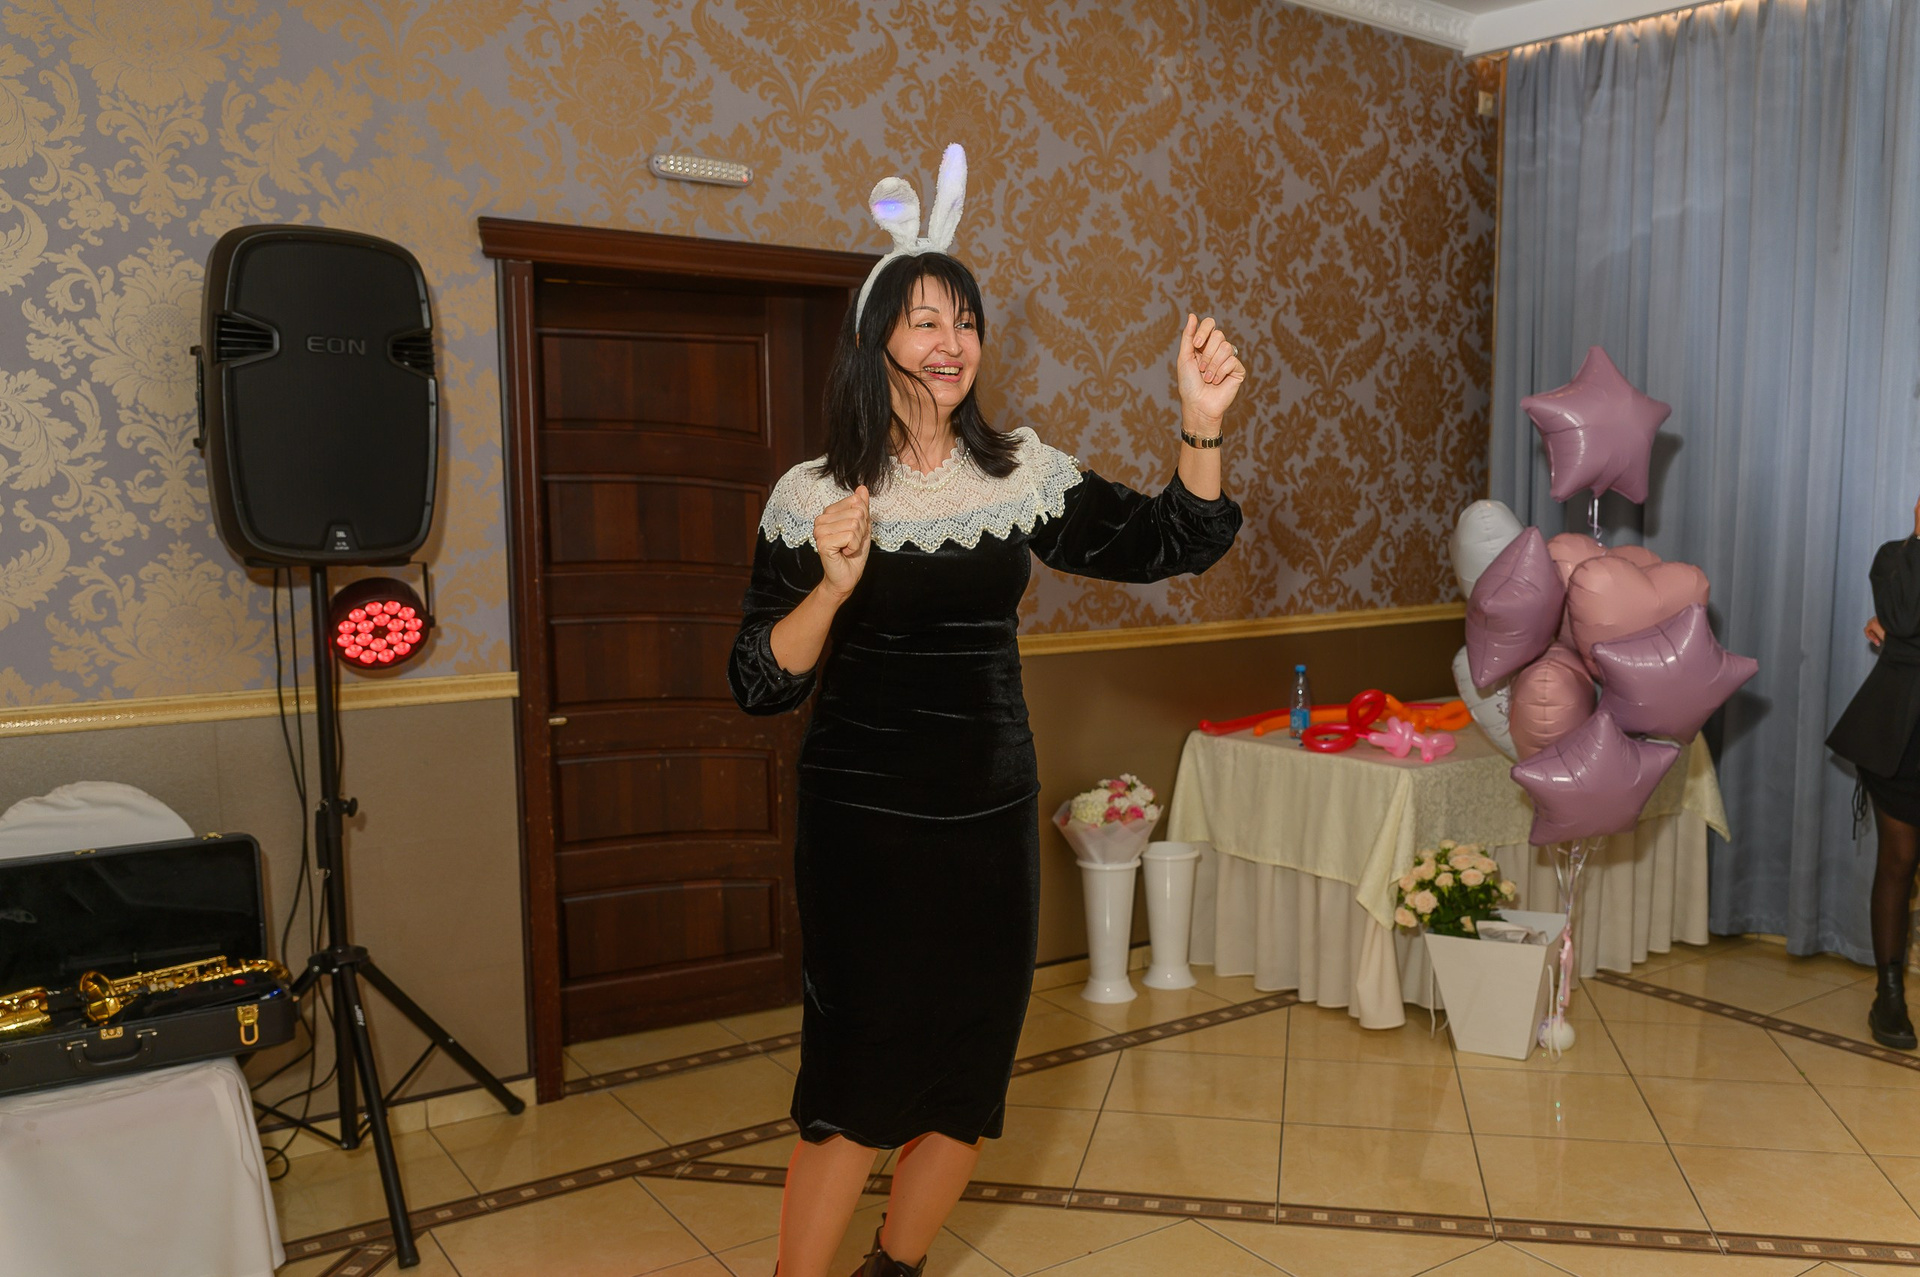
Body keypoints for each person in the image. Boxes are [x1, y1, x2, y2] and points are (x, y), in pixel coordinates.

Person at [727, 146, 1244, 1277]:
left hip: (989, 818)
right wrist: (832, 586)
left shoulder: (1021, 474)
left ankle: (894, 1269)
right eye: (924, 320)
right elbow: (761, 679)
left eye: (965, 320)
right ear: (874, 340)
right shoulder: (813, 494)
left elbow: (1172, 539)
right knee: (857, 1083)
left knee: (965, 1078)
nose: (952, 340)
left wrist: (1199, 422)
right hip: (864, 827)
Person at [1828, 493, 1920, 1050]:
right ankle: (1888, 999)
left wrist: (1899, 640)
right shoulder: (1894, 557)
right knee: (1898, 862)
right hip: (1899, 738)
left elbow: (1902, 629)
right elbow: (1905, 616)